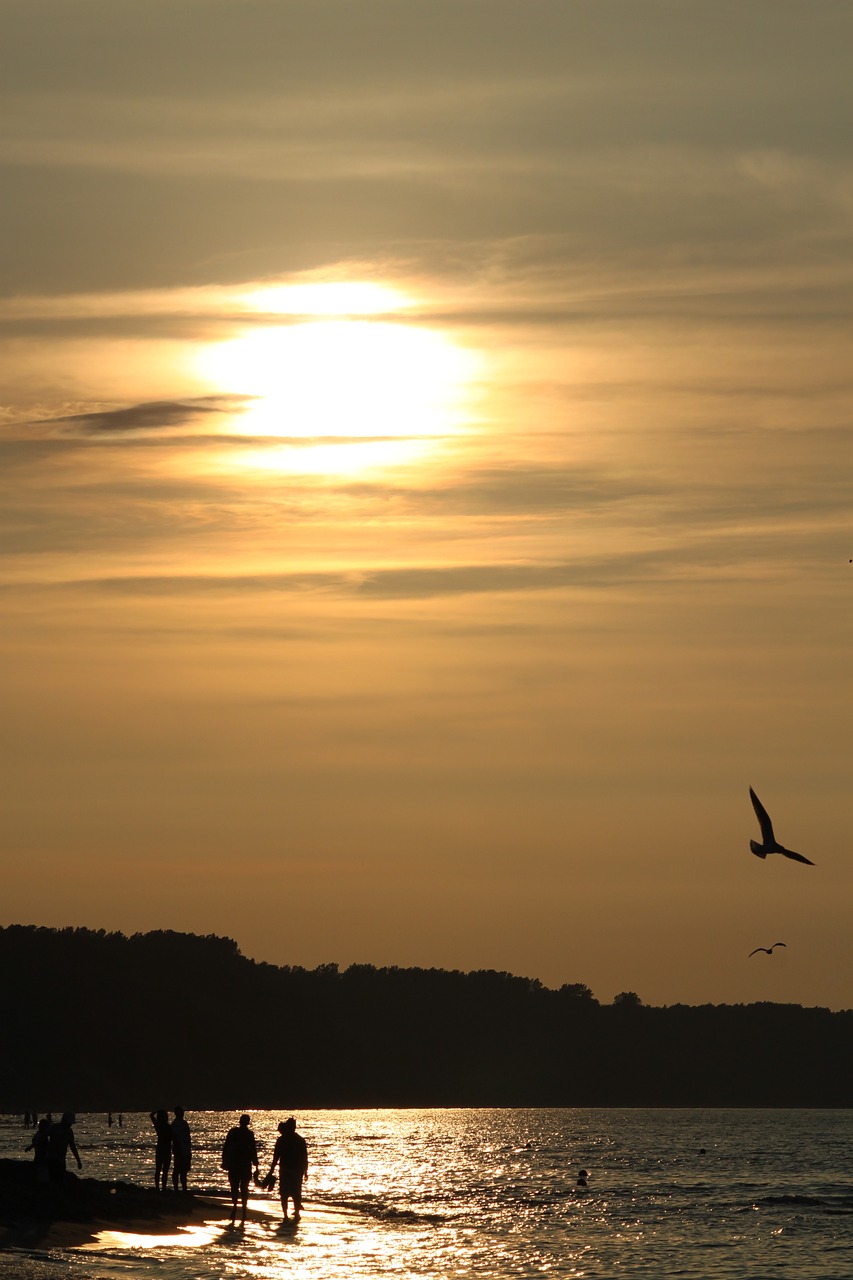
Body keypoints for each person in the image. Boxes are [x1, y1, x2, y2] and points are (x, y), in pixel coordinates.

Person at [268, 1117, 309, 1221]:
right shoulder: (300, 1140)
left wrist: (271, 1170)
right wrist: (305, 1171)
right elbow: (304, 1157)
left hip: (286, 1169)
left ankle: (286, 1215)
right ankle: (296, 1213)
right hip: (295, 1169)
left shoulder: (282, 1139)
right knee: (296, 1192)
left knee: (285, 1193)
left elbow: (276, 1156)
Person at [222, 1114, 259, 1227]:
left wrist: (224, 1160)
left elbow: (226, 1147)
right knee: (244, 1189)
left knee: (235, 1188)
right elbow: (253, 1150)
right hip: (244, 1165)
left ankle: (235, 1208)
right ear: (247, 1122)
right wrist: (256, 1165)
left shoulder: (233, 1132)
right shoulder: (249, 1134)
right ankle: (243, 1211)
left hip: (234, 1164)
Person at [46, 1112, 82, 1199]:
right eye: (69, 1123)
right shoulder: (54, 1128)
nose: (70, 1125)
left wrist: (78, 1161)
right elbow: (43, 1137)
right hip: (51, 1159)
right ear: (64, 1120)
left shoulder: (69, 1131)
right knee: (52, 1180)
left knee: (59, 1181)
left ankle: (55, 1197)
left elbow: (73, 1146)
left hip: (60, 1160)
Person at [150, 1109, 172, 1191]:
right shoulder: (169, 1127)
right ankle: (163, 1188)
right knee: (164, 1171)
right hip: (166, 1149)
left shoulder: (158, 1126)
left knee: (158, 1170)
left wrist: (157, 1110)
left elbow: (151, 1115)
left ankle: (157, 1188)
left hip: (160, 1149)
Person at [171, 1106, 192, 1191]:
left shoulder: (183, 1123)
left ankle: (183, 1188)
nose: (182, 1113)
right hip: (180, 1150)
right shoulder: (176, 1124)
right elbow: (174, 1138)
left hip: (185, 1150)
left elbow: (188, 1136)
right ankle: (177, 1189)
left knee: (183, 1171)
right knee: (178, 1170)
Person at [25, 1117, 51, 1184]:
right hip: (42, 1156)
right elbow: (37, 1142)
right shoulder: (42, 1136)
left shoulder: (37, 1134)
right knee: (42, 1172)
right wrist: (30, 1147)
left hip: (39, 1155)